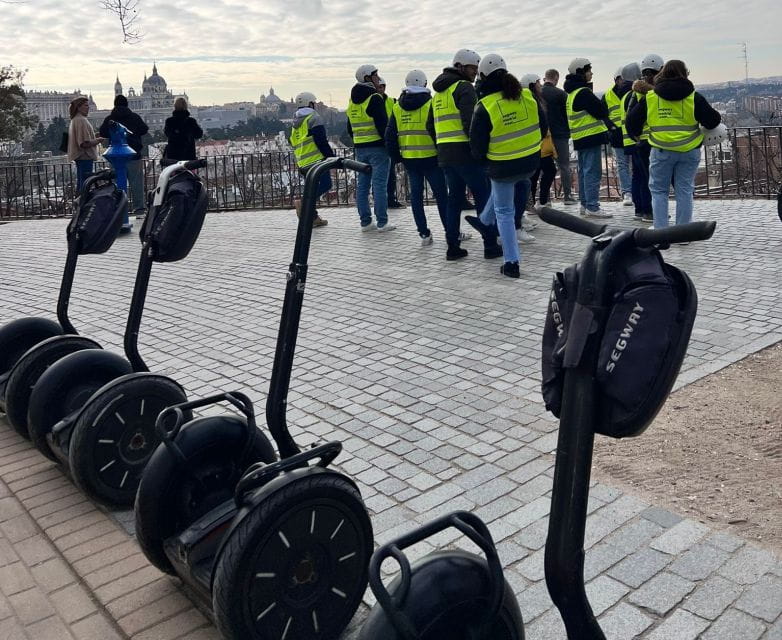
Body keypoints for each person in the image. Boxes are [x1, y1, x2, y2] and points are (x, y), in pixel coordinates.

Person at [467, 54, 546, 278]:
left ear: (483, 77)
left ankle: (512, 262)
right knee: (505, 193)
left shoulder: (485, 106)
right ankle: (483, 221)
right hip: (530, 162)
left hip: (502, 166)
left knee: (504, 212)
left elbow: (477, 146)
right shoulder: (528, 96)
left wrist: (487, 164)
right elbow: (543, 125)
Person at [627, 59, 721, 230]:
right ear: (685, 74)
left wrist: (638, 137)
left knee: (659, 192)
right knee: (684, 191)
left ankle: (661, 233)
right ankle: (683, 234)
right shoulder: (694, 97)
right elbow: (713, 120)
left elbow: (631, 122)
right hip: (689, 150)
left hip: (661, 150)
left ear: (662, 74)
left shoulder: (651, 98)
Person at [427, 49, 500, 262]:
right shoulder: (464, 88)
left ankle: (453, 247)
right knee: (483, 197)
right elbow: (473, 123)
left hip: (446, 155)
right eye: (472, 68)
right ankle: (490, 245)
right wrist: (480, 150)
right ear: (460, 66)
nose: (475, 73)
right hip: (466, 154)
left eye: (477, 69)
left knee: (454, 200)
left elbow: (429, 125)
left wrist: (441, 143)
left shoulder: (439, 93)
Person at [385, 69, 447, 246]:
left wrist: (398, 157)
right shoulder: (432, 104)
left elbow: (389, 136)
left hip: (410, 160)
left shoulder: (397, 107)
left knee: (417, 198)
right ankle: (452, 231)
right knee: (442, 197)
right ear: (425, 84)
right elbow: (438, 131)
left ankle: (424, 234)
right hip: (432, 158)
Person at [347, 64, 395, 232]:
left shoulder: (352, 101)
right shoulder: (375, 98)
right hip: (377, 147)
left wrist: (358, 141)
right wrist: (389, 145)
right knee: (379, 185)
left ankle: (365, 222)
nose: (377, 78)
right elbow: (383, 125)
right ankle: (382, 222)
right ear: (367, 78)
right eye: (375, 75)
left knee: (363, 185)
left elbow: (349, 128)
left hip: (360, 148)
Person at [564, 58, 612, 218]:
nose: (591, 73)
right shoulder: (583, 93)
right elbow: (601, 111)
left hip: (580, 138)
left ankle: (585, 205)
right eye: (589, 70)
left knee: (584, 172)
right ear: (580, 72)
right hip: (591, 137)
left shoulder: (571, 93)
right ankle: (592, 206)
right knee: (592, 172)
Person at [624, 53, 664, 223]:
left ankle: (642, 210)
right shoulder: (653, 94)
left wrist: (636, 137)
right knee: (652, 180)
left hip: (639, 142)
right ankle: (650, 212)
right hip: (651, 140)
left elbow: (629, 118)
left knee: (640, 177)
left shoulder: (634, 93)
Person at [288, 91, 334, 228]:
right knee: (326, 185)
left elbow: (292, 141)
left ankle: (313, 218)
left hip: (302, 161)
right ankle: (303, 203)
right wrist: (331, 157)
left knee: (312, 187)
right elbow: (321, 140)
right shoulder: (313, 117)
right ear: (310, 103)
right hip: (316, 159)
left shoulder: (295, 121)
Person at [99, 94, 149, 217]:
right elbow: (144, 129)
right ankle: (139, 210)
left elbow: (103, 132)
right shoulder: (134, 117)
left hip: (116, 156)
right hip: (133, 155)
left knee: (116, 184)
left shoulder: (110, 119)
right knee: (136, 183)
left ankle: (117, 208)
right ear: (127, 104)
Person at [521, 74, 557, 216]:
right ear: (531, 85)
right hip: (536, 144)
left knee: (539, 173)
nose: (540, 85)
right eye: (537, 83)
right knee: (539, 174)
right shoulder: (531, 100)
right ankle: (538, 203)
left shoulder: (535, 100)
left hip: (540, 144)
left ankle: (536, 203)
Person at [541, 69, 576, 204]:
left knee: (545, 168)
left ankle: (546, 199)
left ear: (545, 78)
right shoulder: (561, 94)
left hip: (544, 136)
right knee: (564, 166)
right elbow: (568, 114)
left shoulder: (538, 93)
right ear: (556, 78)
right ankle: (568, 197)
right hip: (560, 135)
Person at [602, 68, 633, 205]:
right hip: (618, 134)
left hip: (632, 133)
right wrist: (611, 127)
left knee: (634, 164)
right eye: (620, 79)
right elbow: (603, 114)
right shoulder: (608, 95)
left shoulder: (633, 92)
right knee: (622, 164)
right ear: (616, 80)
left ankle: (634, 191)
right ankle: (627, 192)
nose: (622, 81)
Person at [378, 77, 404, 209]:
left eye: (382, 86)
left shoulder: (392, 102)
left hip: (390, 142)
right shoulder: (373, 102)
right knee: (381, 176)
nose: (380, 89)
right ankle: (385, 201)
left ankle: (391, 199)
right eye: (378, 87)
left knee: (391, 175)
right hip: (379, 143)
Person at [67, 97, 104, 192]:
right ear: (79, 107)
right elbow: (84, 143)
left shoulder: (75, 119)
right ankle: (82, 203)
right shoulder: (81, 120)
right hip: (85, 156)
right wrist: (98, 140)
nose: (88, 108)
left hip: (79, 157)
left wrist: (94, 136)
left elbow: (82, 138)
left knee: (81, 183)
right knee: (85, 184)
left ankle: (80, 203)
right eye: (86, 105)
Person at [164, 97, 203, 161]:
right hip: (188, 154)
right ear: (186, 106)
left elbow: (167, 134)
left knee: (175, 170)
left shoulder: (169, 121)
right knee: (188, 170)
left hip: (173, 155)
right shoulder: (191, 121)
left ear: (175, 106)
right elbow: (199, 134)